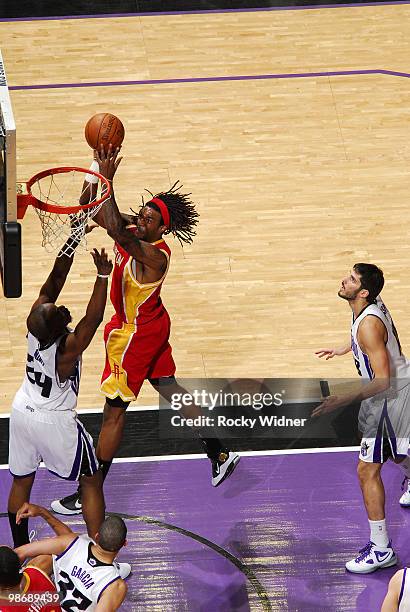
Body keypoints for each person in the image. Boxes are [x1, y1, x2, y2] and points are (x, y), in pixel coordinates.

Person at [52, 147, 239, 515]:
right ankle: (219, 451)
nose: (142, 218)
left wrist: (108, 180)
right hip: (153, 322)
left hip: (136, 334)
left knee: (113, 413)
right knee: (169, 387)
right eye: (143, 212)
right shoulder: (138, 230)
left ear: (162, 229)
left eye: (150, 218)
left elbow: (117, 231)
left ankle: (89, 490)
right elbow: (99, 211)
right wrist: (95, 173)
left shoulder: (155, 256)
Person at [7, 233, 112, 546]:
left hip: (22, 409)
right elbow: (91, 321)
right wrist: (102, 275)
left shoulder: (36, 322)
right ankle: (99, 558)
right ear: (56, 328)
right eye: (57, 311)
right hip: (52, 419)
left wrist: (75, 233)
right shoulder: (66, 350)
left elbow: (55, 277)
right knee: (91, 480)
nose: (59, 306)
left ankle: (21, 550)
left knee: (22, 480)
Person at [313, 264, 410, 574]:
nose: (345, 280)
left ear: (363, 292)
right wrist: (346, 348)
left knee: (367, 469)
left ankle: (381, 549)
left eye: (352, 279)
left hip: (388, 400)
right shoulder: (370, 306)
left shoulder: (368, 324)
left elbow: (382, 379)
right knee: (396, 452)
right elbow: (379, 340)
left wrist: (343, 399)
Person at [14, 503, 128, 611]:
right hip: (54, 604)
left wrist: (41, 511)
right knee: (49, 556)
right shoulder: (115, 586)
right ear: (124, 544)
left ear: (97, 536)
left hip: (43, 606)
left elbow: (20, 552)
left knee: (47, 557)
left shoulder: (73, 542)